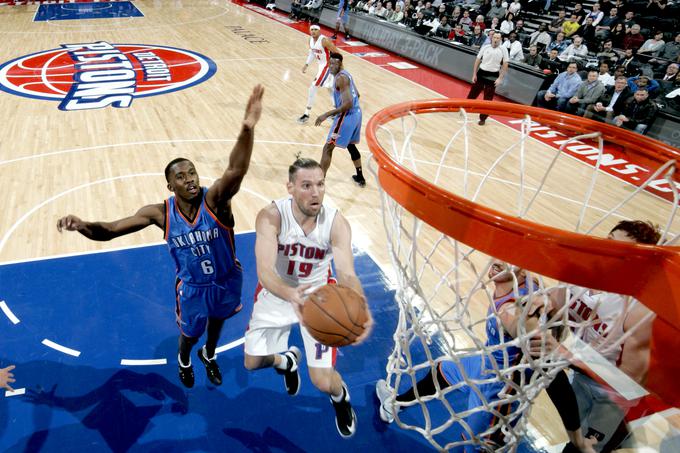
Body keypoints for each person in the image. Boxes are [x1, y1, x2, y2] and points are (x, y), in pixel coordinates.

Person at [57, 85, 265, 389]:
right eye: (181, 177)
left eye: (192, 172)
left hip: (226, 278)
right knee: (190, 333)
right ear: (170, 186)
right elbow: (111, 231)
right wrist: (84, 225)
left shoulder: (216, 201)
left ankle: (209, 354)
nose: (190, 179)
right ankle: (184, 360)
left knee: (218, 321)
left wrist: (247, 128)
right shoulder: (160, 214)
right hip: (192, 287)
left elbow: (236, 169)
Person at [375, 261, 597, 452]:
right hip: (485, 364)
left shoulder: (515, 315)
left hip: (498, 394)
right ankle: (393, 406)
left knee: (475, 444)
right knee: (441, 372)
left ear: (522, 268)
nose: (500, 260)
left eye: (511, 258)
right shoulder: (528, 285)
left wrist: (577, 440)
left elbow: (554, 378)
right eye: (501, 251)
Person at [243, 157, 373, 438]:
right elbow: (265, 271)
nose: (316, 192)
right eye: (306, 185)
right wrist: (290, 294)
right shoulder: (271, 216)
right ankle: (287, 361)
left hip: (319, 298)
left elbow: (348, 275)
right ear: (290, 187)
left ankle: (341, 398)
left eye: (320, 184)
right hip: (278, 291)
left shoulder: (336, 222)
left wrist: (361, 308)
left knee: (323, 382)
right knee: (252, 362)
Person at [530, 220, 659, 451]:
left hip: (611, 394)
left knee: (581, 449)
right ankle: (618, 433)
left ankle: (617, 431)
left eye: (620, 251)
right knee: (573, 435)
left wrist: (566, 354)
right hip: (580, 372)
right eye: (609, 242)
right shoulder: (577, 273)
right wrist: (544, 302)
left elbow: (628, 383)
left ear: (636, 262)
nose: (608, 251)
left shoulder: (638, 309)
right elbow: (558, 307)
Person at [314, 53, 366, 187]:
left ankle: (319, 183)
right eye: (330, 63)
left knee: (328, 148)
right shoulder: (346, 74)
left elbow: (347, 104)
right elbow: (357, 95)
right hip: (357, 113)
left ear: (340, 64)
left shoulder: (341, 79)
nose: (331, 66)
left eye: (334, 64)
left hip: (347, 115)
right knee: (350, 145)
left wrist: (327, 114)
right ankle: (360, 177)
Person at [297, 25, 340, 124]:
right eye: (311, 29)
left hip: (327, 67)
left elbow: (337, 53)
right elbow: (312, 53)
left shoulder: (324, 40)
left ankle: (306, 114)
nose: (313, 31)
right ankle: (337, 112)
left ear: (319, 31)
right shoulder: (310, 40)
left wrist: (338, 67)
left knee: (313, 87)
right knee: (330, 89)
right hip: (321, 66)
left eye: (315, 29)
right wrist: (306, 64)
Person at [467, 31, 509, 126]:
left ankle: (483, 118)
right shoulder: (485, 47)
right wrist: (474, 74)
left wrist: (500, 78)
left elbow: (506, 64)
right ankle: (464, 109)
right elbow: (478, 60)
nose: (496, 39)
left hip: (493, 75)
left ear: (500, 39)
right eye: (494, 37)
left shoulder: (503, 49)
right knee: (473, 93)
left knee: (488, 99)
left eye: (498, 38)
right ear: (491, 38)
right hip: (481, 73)